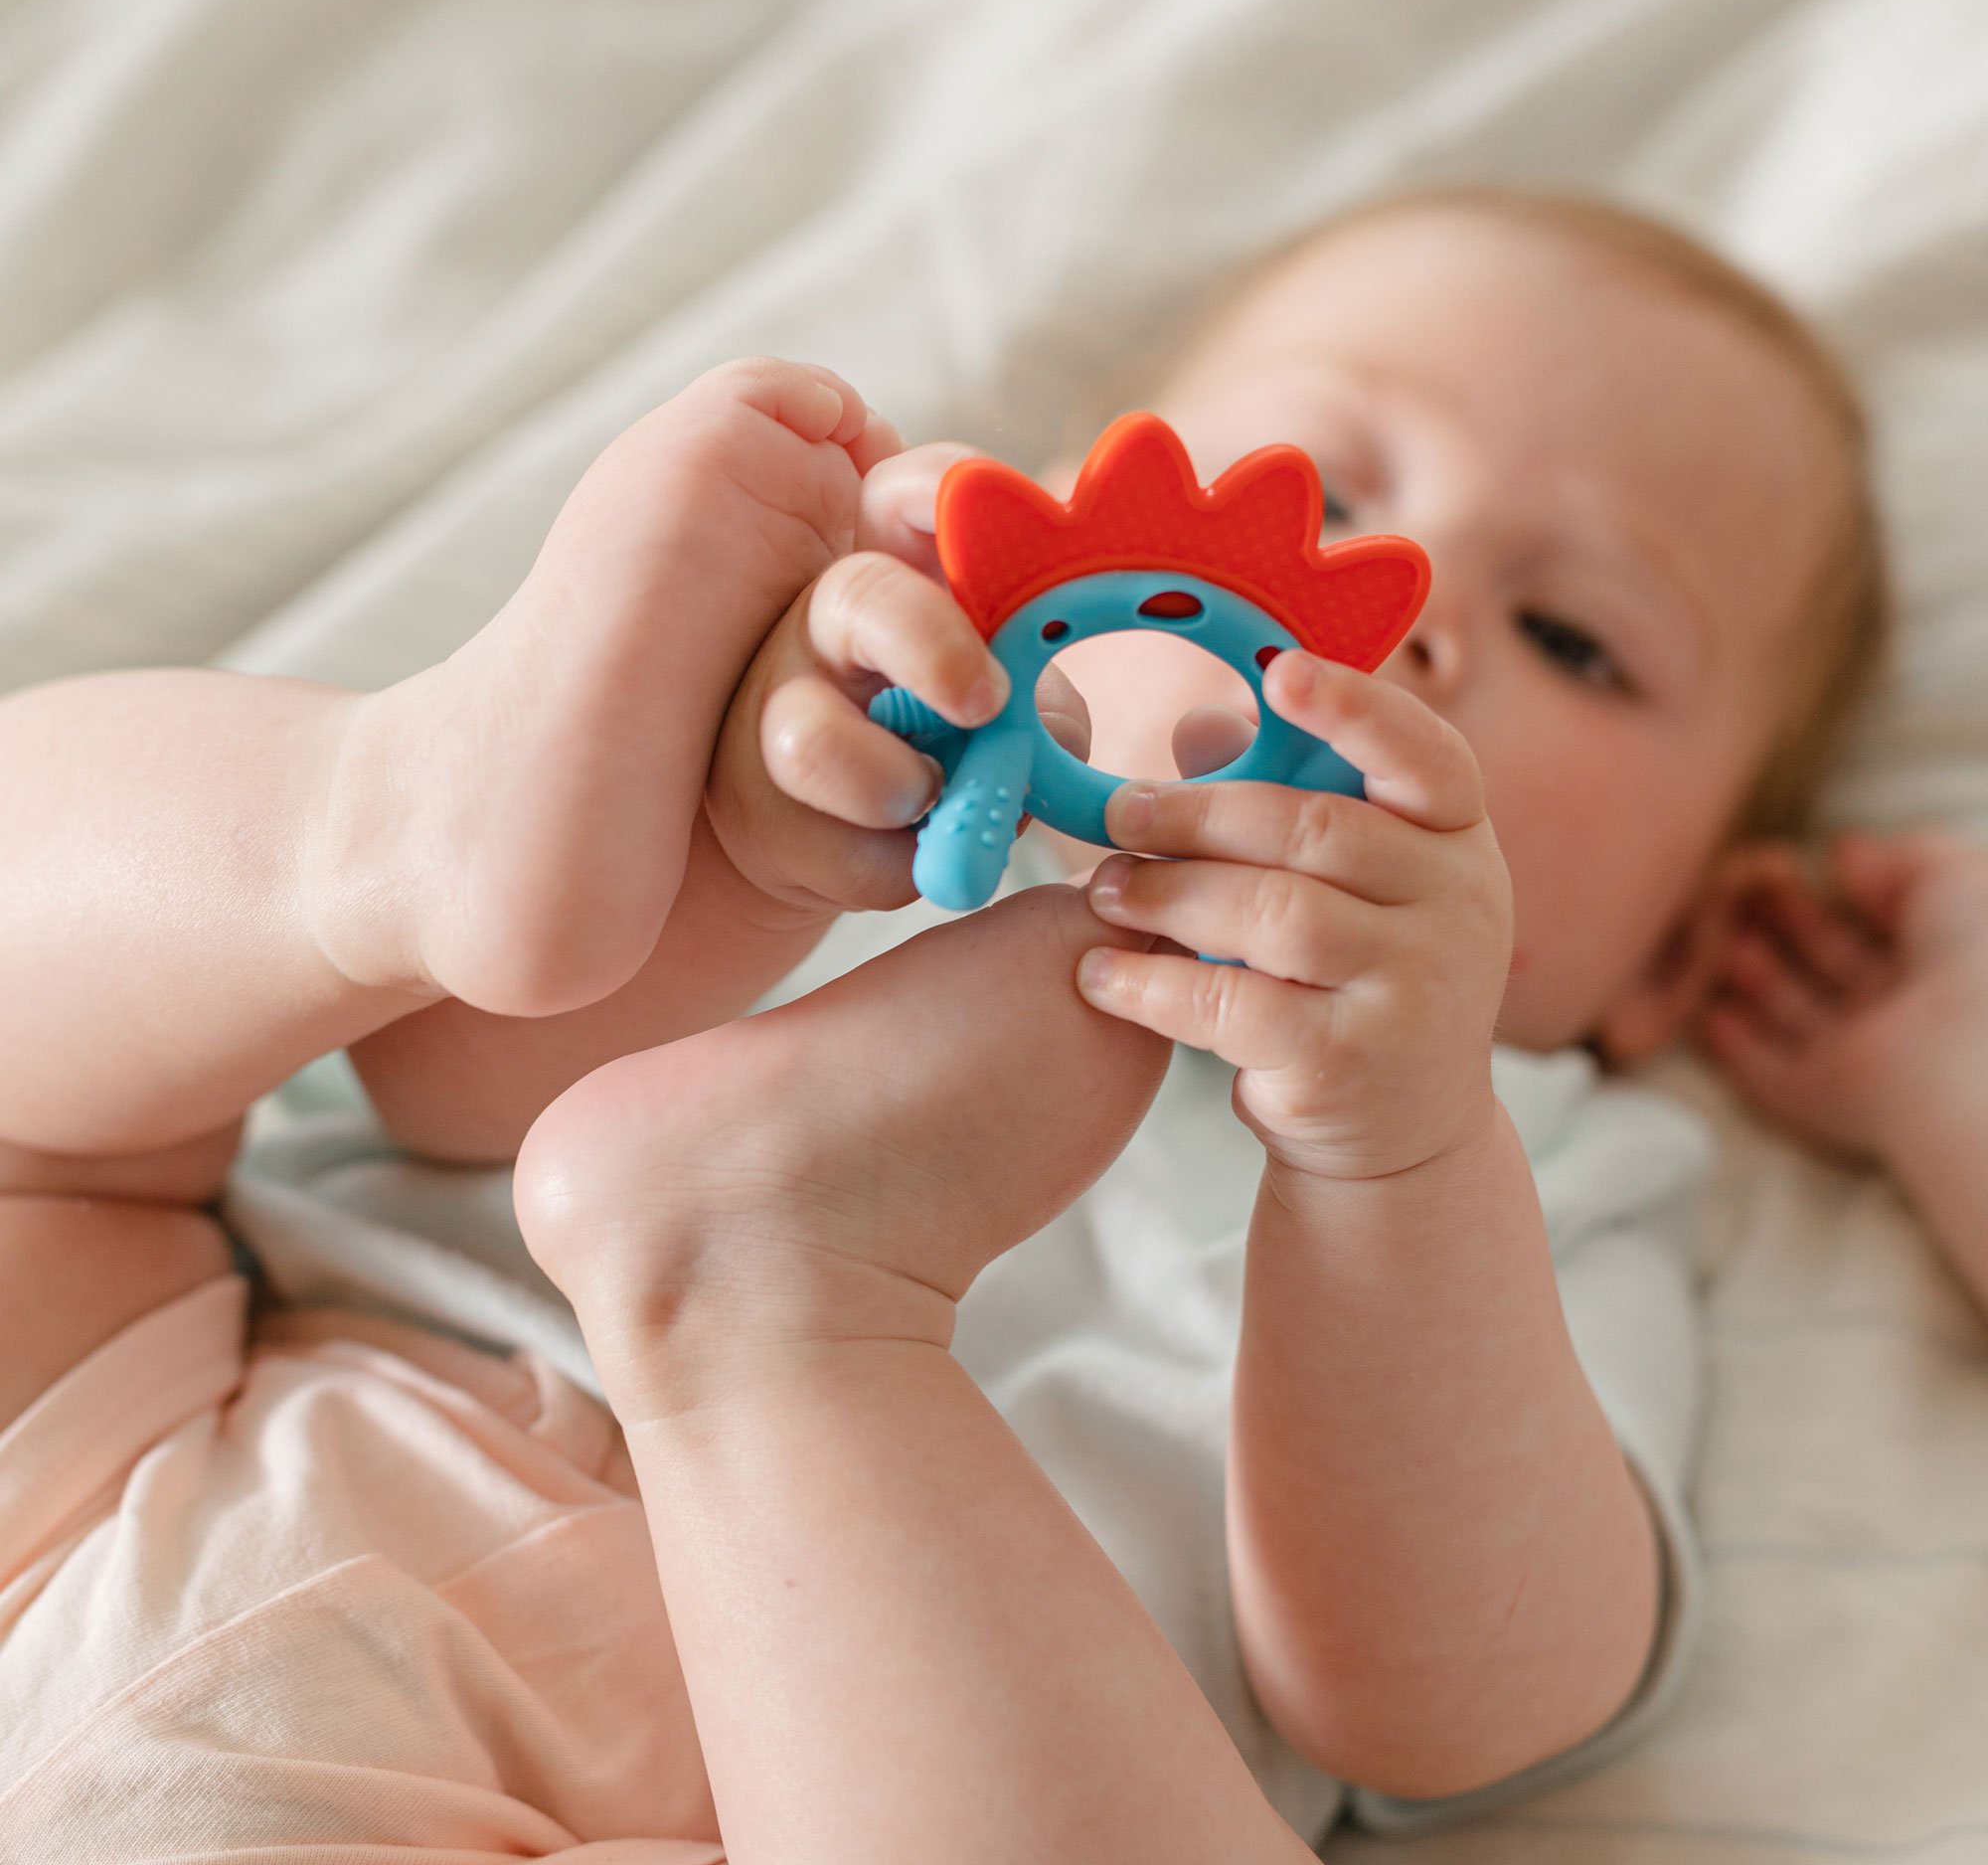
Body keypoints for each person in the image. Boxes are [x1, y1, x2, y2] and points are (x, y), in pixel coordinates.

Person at [0, 186, 1896, 1855]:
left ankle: (777, 1313)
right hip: (185, 1436)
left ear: (1667, 952)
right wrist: (738, 841)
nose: (1407, 615)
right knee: (77, 1097)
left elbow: (1459, 1704)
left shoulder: (1538, 1160)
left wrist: (1395, 1161)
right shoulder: (861, 779)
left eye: (1576, 641)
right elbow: (450, 1087)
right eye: (1307, 499)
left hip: (752, 1766)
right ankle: (391, 821)